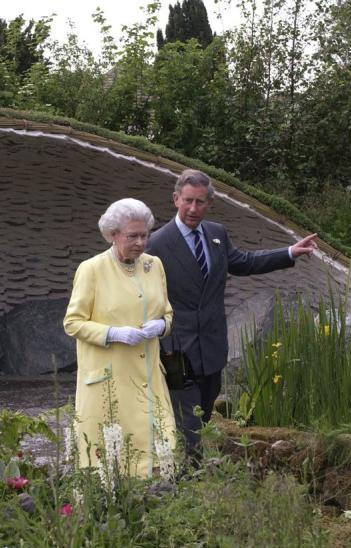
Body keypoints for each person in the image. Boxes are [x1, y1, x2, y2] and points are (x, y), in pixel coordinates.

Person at [146, 169, 318, 464]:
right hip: (178, 351)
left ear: (209, 203)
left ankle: (193, 479)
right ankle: (188, 482)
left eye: (200, 202)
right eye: (188, 201)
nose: (193, 209)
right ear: (176, 199)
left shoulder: (216, 234)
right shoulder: (156, 243)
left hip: (212, 347)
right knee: (189, 428)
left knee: (204, 415)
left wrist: (289, 252)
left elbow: (244, 262)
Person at [64, 198, 178, 479]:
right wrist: (113, 333)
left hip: (148, 376)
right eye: (132, 236)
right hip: (109, 380)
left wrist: (160, 326)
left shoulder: (154, 265)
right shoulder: (91, 269)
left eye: (144, 235)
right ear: (113, 234)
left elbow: (168, 314)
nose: (140, 243)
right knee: (111, 462)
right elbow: (73, 323)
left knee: (158, 456)